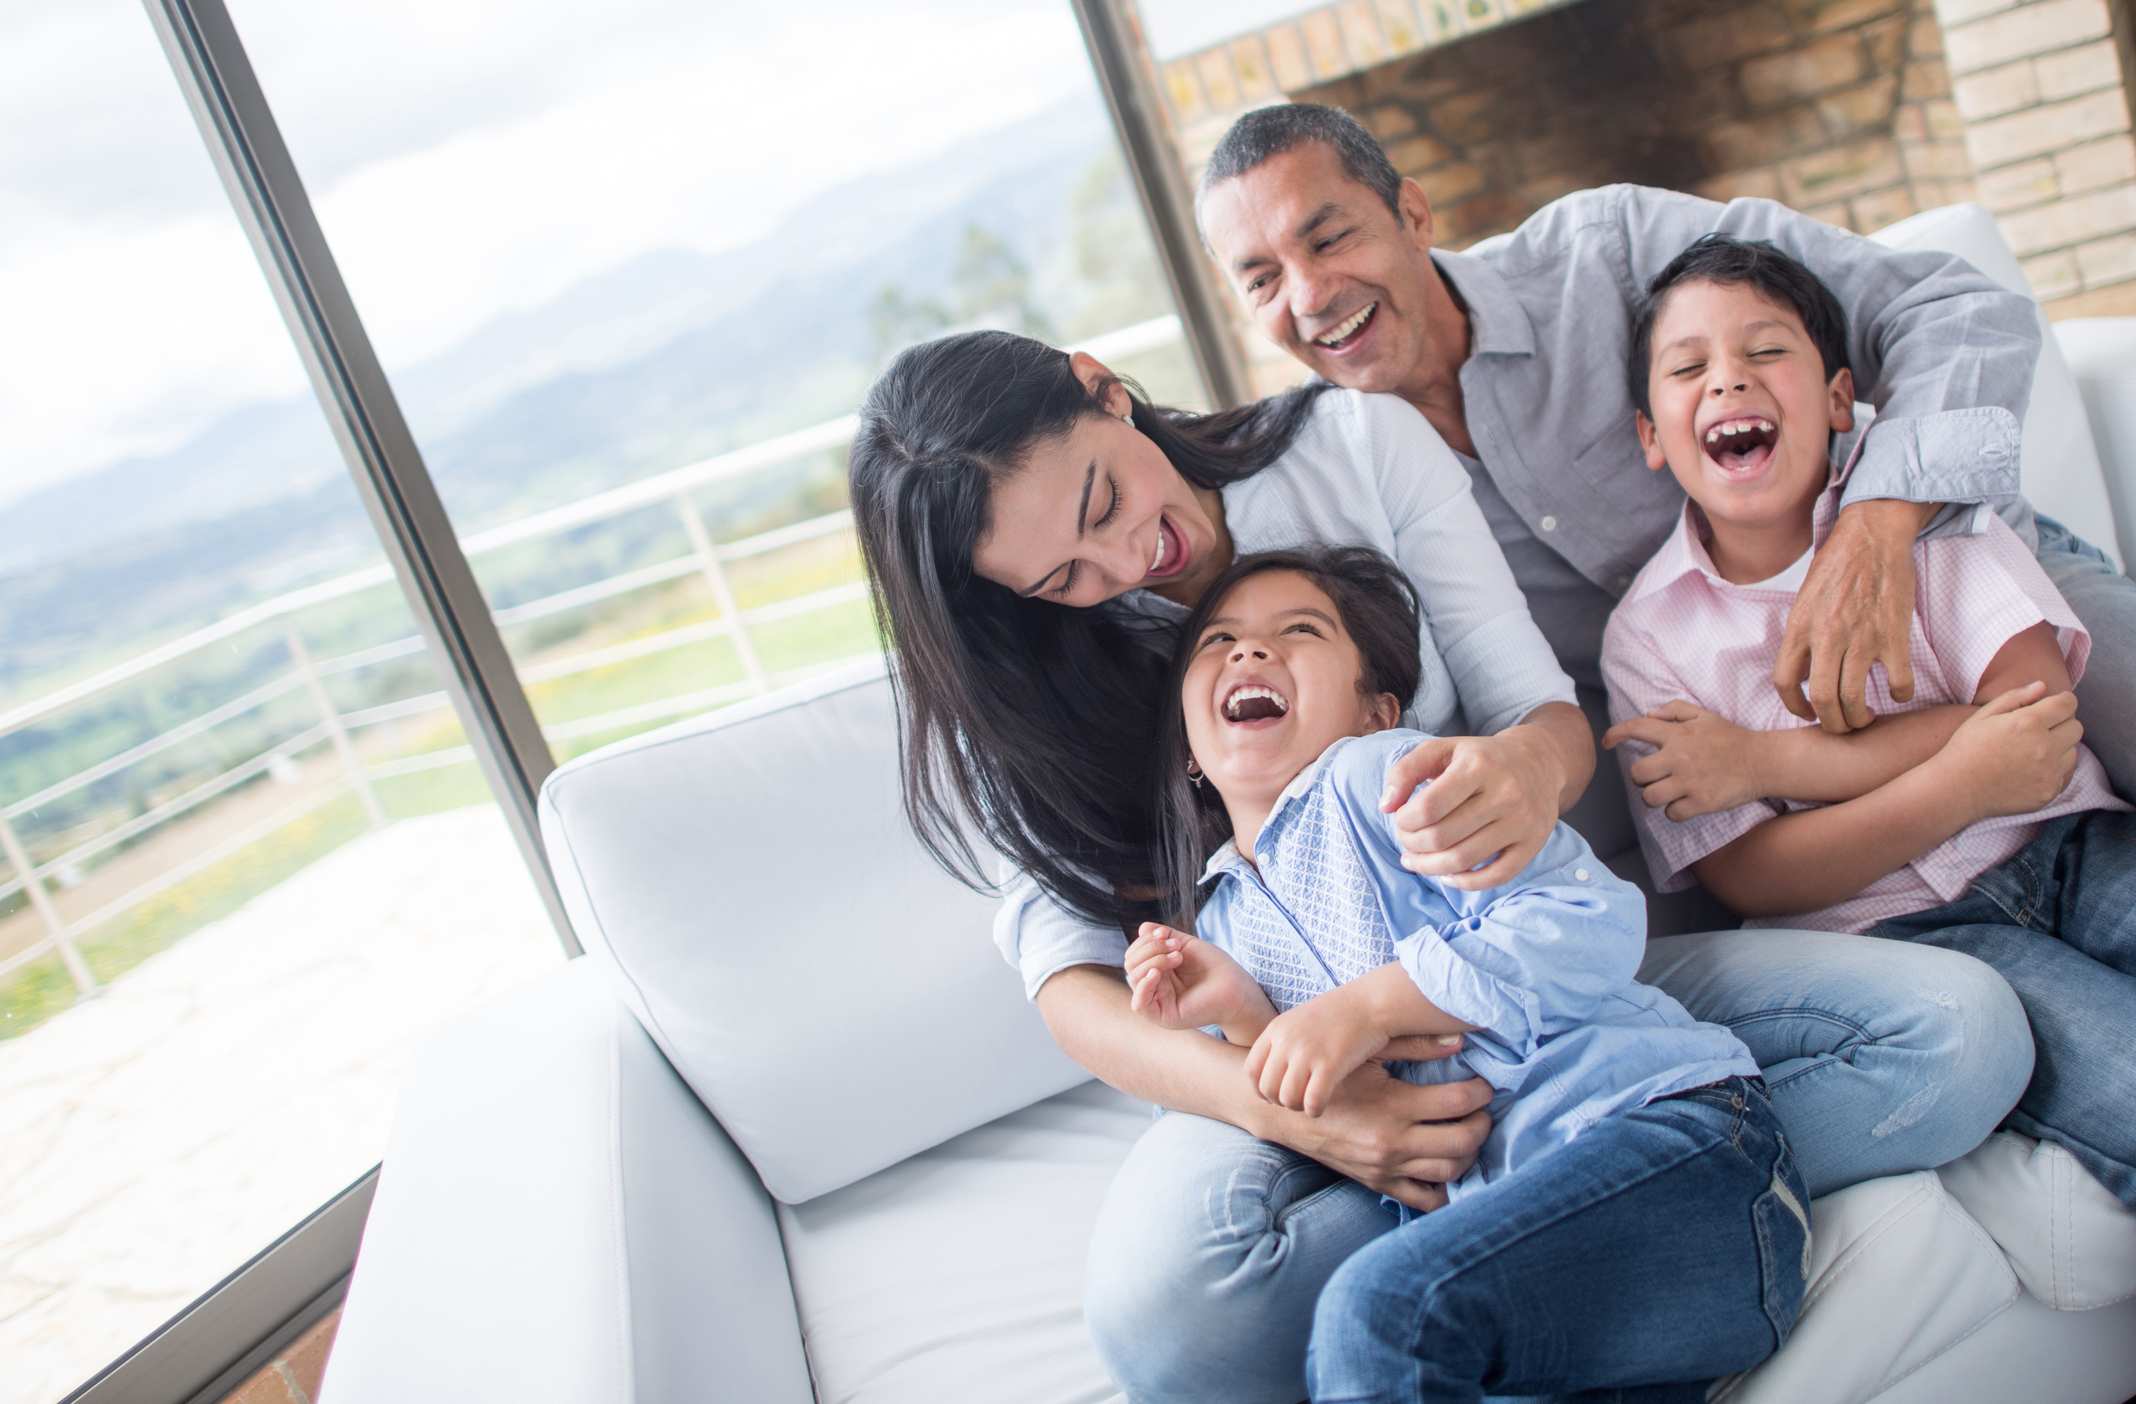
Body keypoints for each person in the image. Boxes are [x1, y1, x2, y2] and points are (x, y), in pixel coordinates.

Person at [849, 330, 2029, 1404]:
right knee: (1175, 1328)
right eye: (1065, 577)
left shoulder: (1357, 476)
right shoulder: (1095, 755)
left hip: (1554, 1014)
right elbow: (1071, 984)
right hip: (1357, 1093)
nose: (1125, 558)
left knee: (1960, 1037)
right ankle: (1541, 1254)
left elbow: (1548, 744)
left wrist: (1520, 773)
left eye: (1105, 500)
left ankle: (1629, 1201)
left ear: (1103, 387)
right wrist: (1302, 1102)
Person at [1193, 103, 2136, 821]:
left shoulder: (1609, 249)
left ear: (1412, 213)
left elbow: (1953, 307)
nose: (1310, 295)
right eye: (1263, 278)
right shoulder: (1326, 487)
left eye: (1330, 238)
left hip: (1945, 592)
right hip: (1720, 758)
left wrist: (1876, 527)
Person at [1126, 544, 1800, 1402]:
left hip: (1674, 1151)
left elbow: (1591, 918)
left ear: (1378, 712)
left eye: (1298, 630)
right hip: (1528, 1256)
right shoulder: (1219, 919)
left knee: (1378, 1315)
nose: (1249, 653)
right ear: (1188, 747)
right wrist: (1242, 1013)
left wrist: (1371, 1006)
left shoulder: (1391, 778)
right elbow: (1330, 1105)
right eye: (1217, 643)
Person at [1602, 234, 2136, 1207]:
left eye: (1766, 353)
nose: (1728, 383)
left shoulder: (1924, 519)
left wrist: (1765, 761)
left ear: (1842, 399)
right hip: (1911, 940)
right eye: (1690, 368)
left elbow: (2036, 721)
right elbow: (1754, 875)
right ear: (1651, 434)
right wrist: (1967, 767)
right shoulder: (1647, 638)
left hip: (2068, 846)